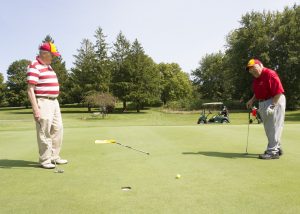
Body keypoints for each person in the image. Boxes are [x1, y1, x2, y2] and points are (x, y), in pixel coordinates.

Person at [27, 42, 68, 169]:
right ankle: (45, 160)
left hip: (54, 102)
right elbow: (30, 89)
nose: (53, 58)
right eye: (52, 55)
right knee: (44, 131)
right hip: (43, 102)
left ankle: (54, 157)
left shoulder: (49, 66)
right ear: (45, 54)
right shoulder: (34, 66)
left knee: (58, 128)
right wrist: (35, 109)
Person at [246, 59, 286, 159]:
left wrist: (272, 106)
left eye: (254, 68)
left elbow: (278, 91)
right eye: (250, 70)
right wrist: (252, 100)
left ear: (260, 65)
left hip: (274, 100)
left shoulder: (270, 74)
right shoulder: (257, 78)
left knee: (273, 127)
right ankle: (277, 147)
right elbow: (259, 91)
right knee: (269, 128)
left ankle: (273, 152)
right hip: (264, 102)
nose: (252, 71)